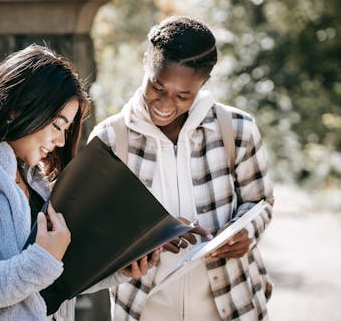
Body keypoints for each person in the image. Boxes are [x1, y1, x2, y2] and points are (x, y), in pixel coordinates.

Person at [0, 44, 156, 321]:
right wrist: (41, 260)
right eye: (57, 125)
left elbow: (45, 288)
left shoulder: (34, 180)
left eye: (66, 130)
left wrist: (118, 268)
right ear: (17, 109)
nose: (62, 141)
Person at [89, 16, 274, 320]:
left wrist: (246, 233)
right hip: (143, 308)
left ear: (204, 83)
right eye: (157, 87)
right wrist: (146, 234)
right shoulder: (110, 139)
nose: (164, 103)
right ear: (146, 64)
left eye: (182, 95)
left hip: (231, 304)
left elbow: (261, 202)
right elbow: (93, 226)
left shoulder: (237, 129)